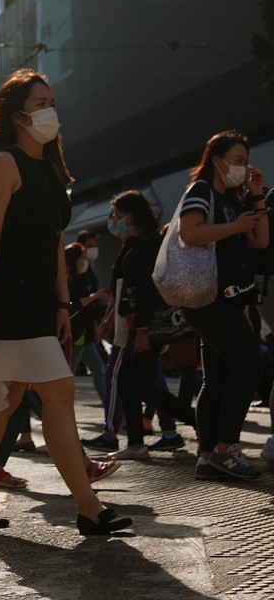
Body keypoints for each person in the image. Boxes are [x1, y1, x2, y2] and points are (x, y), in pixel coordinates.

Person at [0, 67, 132, 535]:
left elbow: (53, 242)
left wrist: (64, 305)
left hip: (39, 301)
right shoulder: (3, 164)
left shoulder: (50, 170)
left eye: (52, 102)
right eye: (40, 103)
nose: (50, 112)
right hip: (7, 297)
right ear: (16, 116)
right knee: (57, 391)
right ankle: (88, 506)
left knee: (4, 404)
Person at [178, 130, 268, 481]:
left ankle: (206, 456)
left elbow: (259, 242)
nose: (242, 167)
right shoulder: (201, 192)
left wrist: (256, 197)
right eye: (237, 160)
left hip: (228, 296)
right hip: (206, 295)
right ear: (217, 160)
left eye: (245, 161)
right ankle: (226, 448)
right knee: (250, 364)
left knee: (217, 377)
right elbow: (189, 233)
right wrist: (233, 226)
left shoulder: (236, 199)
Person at [102, 190, 197, 462]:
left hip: (145, 326)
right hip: (135, 325)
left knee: (141, 385)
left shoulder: (144, 244)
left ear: (130, 215)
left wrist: (142, 329)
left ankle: (199, 420)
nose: (114, 220)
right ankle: (135, 442)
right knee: (127, 381)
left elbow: (144, 289)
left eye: (118, 216)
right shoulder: (134, 242)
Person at [65, 242, 109, 402]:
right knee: (68, 372)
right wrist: (95, 297)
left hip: (85, 335)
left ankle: (109, 406)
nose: (85, 261)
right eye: (82, 257)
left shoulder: (85, 278)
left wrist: (95, 327)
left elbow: (89, 310)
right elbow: (74, 305)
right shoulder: (67, 279)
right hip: (75, 335)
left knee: (98, 368)